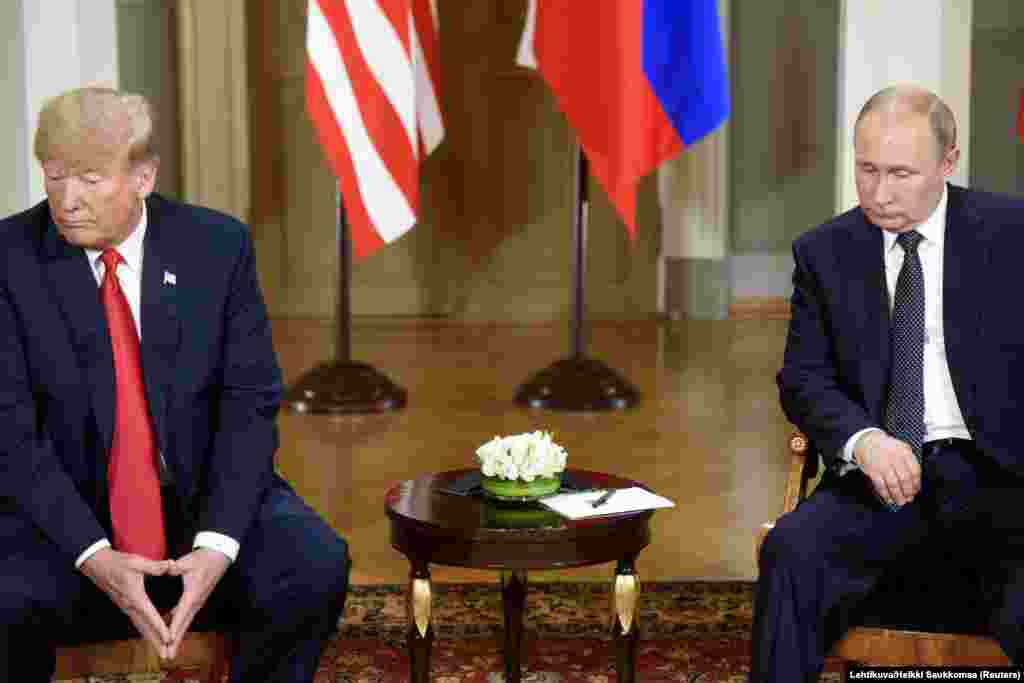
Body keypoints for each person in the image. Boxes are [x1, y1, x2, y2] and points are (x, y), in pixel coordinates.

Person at [0, 87, 350, 682]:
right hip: (65, 519)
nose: (67, 200)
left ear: (143, 176)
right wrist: (96, 555)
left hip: (197, 504)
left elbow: (249, 404)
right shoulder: (9, 258)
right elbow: (9, 432)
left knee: (313, 562)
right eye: (54, 177)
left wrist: (216, 545)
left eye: (89, 178)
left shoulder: (217, 247)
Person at [750, 84, 1024, 680]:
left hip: (1001, 476)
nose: (879, 193)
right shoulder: (825, 252)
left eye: (901, 173)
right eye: (867, 170)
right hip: (878, 476)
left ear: (948, 163)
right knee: (790, 554)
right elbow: (803, 378)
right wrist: (863, 441)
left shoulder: (1012, 235)